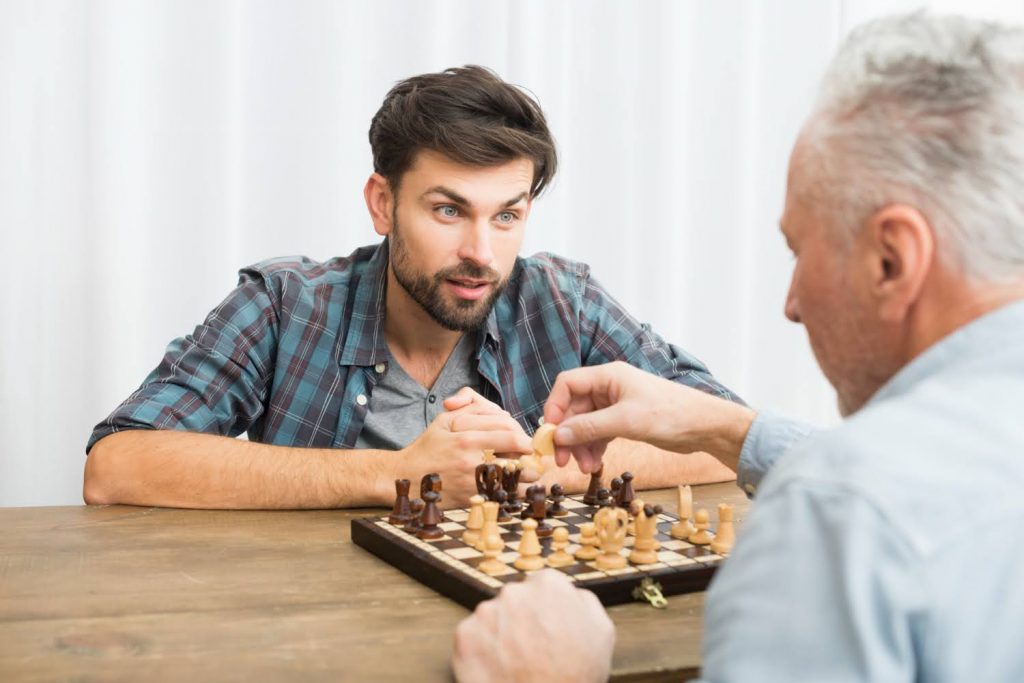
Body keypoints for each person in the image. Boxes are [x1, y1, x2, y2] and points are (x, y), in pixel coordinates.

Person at [452, 12, 1024, 682]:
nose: (791, 304)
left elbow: (865, 497)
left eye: (799, 250)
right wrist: (721, 426)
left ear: (892, 260)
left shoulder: (835, 521)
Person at [83, 65, 738, 510]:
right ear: (382, 203)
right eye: (448, 210)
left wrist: (557, 465)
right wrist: (394, 472)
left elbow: (732, 437)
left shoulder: (564, 301)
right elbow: (115, 467)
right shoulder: (285, 304)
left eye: (506, 214)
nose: (482, 253)